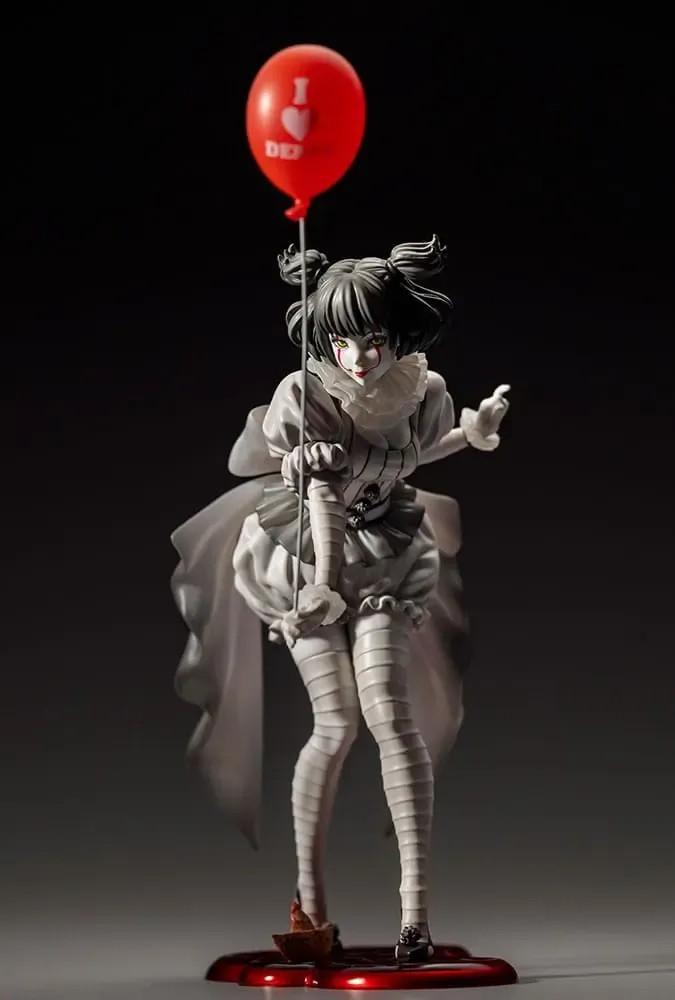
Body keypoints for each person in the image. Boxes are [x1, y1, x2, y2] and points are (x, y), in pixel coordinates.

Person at [171, 235, 510, 962]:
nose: (359, 357)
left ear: (399, 335)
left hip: (384, 552)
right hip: (303, 557)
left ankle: (415, 917)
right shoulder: (305, 394)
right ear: (323, 337)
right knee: (335, 724)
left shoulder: (420, 388)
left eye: (374, 340)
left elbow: (411, 455)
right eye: (343, 341)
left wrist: (469, 434)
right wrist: (323, 585)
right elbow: (321, 499)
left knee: (391, 716)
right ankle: (309, 910)